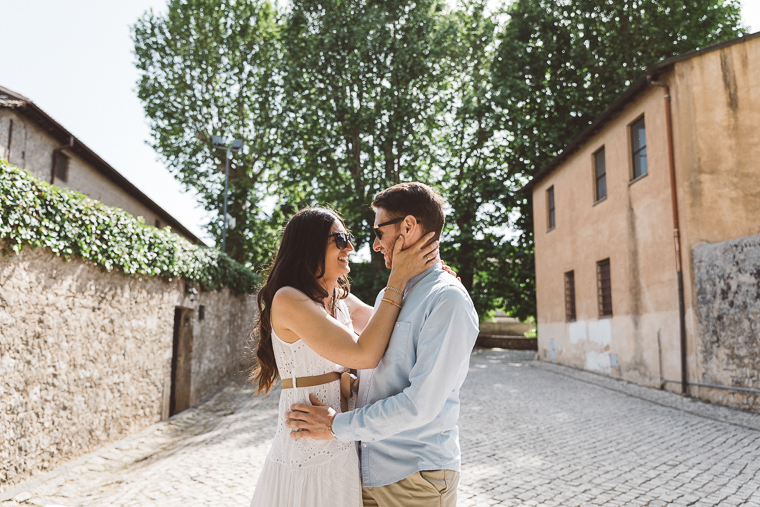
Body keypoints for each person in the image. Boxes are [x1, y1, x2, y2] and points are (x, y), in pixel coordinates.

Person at [286, 182, 480, 507]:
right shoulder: (390, 294)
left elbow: (420, 405)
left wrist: (336, 425)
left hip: (414, 478)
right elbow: (382, 374)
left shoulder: (447, 300)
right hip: (368, 472)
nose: (375, 245)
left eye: (379, 232)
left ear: (408, 227)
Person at [249, 206, 440, 507]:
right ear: (310, 245)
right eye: (340, 239)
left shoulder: (339, 298)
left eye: (348, 238)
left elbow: (391, 326)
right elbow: (365, 353)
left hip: (341, 444)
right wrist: (398, 278)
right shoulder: (288, 299)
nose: (350, 247)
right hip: (306, 449)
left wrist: (429, 283)